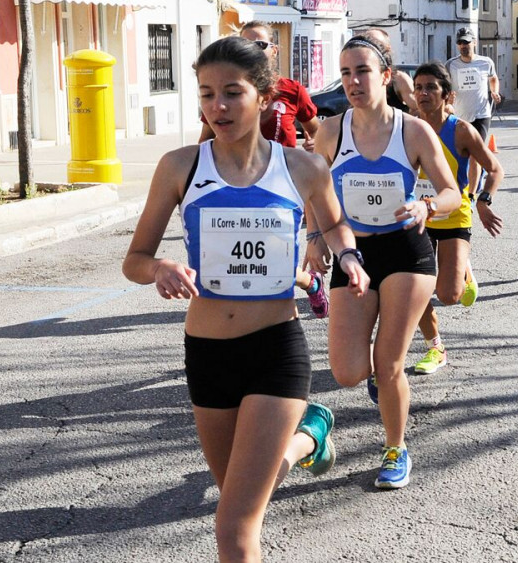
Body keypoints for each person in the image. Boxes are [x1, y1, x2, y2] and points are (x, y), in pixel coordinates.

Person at [123, 36, 370, 561]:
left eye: (231, 93)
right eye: (207, 93)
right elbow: (135, 259)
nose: (217, 107)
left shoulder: (302, 167)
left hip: (276, 350)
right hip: (208, 354)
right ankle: (309, 439)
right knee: (239, 488)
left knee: (234, 527)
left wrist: (348, 257)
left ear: (264, 96)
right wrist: (161, 267)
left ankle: (304, 436)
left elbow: (335, 225)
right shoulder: (180, 166)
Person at [312, 35, 462, 489]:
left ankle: (395, 448)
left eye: (362, 71)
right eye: (345, 73)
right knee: (348, 371)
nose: (353, 82)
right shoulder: (331, 131)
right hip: (353, 253)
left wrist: (428, 206)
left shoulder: (412, 130)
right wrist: (314, 236)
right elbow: (313, 189)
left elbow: (453, 193)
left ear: (384, 75)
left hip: (405, 251)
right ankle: (379, 379)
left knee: (389, 358)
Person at [199, 21, 330, 318]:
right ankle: (304, 284)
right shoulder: (223, 95)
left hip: (282, 184)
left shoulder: (292, 90)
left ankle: (303, 288)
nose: (252, 50)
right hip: (237, 181)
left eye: (259, 44)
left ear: (274, 50)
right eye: (245, 44)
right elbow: (204, 143)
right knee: (247, 255)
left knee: (276, 254)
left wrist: (314, 146)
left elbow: (316, 131)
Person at [410, 62, 504, 375]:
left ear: (447, 95)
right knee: (415, 286)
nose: (423, 93)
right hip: (418, 217)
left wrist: (484, 200)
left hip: (453, 215)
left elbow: (494, 168)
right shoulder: (407, 128)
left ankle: (463, 269)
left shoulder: (461, 130)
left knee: (449, 295)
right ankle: (435, 347)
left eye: (430, 88)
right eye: (418, 87)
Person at [446, 27, 501, 198]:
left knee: (474, 155)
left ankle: (470, 195)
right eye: (460, 43)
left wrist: (494, 91)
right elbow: (445, 85)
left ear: (474, 43)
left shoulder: (486, 62)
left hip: (481, 114)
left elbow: (493, 78)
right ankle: (458, 188)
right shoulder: (450, 64)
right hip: (459, 115)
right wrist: (448, 97)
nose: (464, 46)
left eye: (467, 42)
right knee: (459, 154)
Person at [363, 28, 419, 114]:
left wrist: (401, 122)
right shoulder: (358, 78)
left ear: (388, 49)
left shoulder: (398, 79)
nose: (372, 48)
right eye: (367, 43)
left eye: (377, 44)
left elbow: (419, 108)